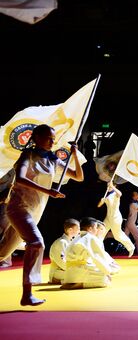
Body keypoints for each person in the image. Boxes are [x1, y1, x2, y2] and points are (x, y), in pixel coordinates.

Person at [0, 124, 83, 305]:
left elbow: (78, 176)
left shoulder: (53, 159)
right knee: (36, 243)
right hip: (18, 208)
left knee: (3, 252)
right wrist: (49, 190)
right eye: (48, 138)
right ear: (36, 138)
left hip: (34, 211)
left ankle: (27, 294)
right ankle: (27, 294)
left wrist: (75, 155)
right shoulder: (27, 155)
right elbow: (21, 178)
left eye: (53, 139)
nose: (52, 142)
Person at [61, 217, 115, 289]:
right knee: (105, 279)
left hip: (69, 273)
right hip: (79, 272)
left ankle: (74, 281)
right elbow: (97, 257)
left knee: (101, 272)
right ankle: (78, 284)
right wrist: (107, 272)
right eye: (96, 227)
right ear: (90, 229)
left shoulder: (76, 237)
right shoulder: (90, 237)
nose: (96, 230)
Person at [97, 181, 135, 257]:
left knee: (118, 235)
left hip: (116, 218)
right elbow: (98, 206)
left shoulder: (115, 194)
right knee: (100, 233)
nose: (108, 187)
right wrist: (101, 201)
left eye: (110, 186)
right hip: (108, 218)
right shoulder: (106, 196)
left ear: (115, 186)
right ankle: (98, 251)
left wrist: (113, 187)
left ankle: (131, 248)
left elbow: (120, 194)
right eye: (108, 186)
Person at [48, 218, 80, 284]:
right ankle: (60, 280)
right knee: (82, 275)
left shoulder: (69, 241)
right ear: (70, 230)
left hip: (65, 270)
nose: (79, 231)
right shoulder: (61, 243)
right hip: (57, 272)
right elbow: (61, 262)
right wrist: (75, 269)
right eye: (78, 229)